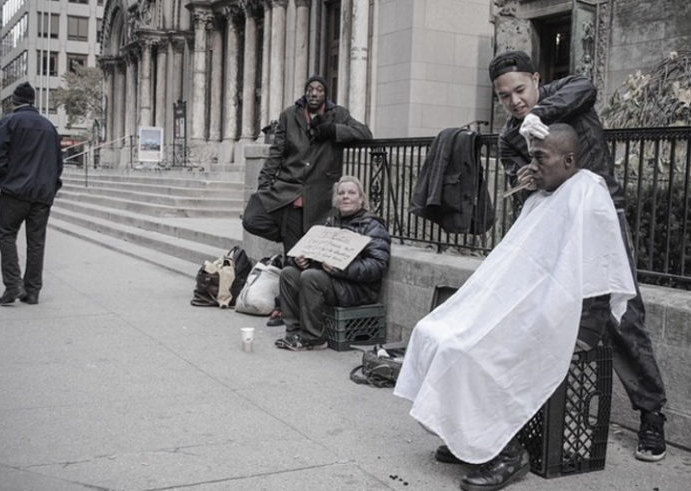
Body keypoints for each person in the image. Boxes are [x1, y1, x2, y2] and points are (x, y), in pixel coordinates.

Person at [395, 124, 637, 491]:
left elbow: (589, 274)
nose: (533, 165)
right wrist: (533, 190)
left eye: (541, 158)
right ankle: (469, 436)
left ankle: (507, 453)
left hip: (567, 319)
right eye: (532, 158)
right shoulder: (546, 194)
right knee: (433, 332)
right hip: (530, 308)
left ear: (569, 161)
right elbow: (522, 259)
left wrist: (570, 326)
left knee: (470, 352)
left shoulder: (587, 193)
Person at [487, 50, 667, 462]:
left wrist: (540, 116)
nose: (515, 102)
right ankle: (527, 415)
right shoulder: (507, 136)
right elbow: (523, 185)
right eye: (504, 97)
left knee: (621, 319)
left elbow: (586, 84)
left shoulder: (570, 94)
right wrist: (526, 178)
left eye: (520, 90)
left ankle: (651, 416)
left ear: (536, 79)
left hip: (602, 219)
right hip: (553, 228)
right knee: (538, 313)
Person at [242, 75, 372, 327]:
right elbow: (276, 154)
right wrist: (264, 186)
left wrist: (332, 131)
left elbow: (364, 133)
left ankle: (290, 311)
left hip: (319, 201)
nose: (314, 93)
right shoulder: (289, 115)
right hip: (288, 194)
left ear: (325, 94)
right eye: (310, 89)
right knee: (255, 222)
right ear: (305, 93)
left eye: (319, 90)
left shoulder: (338, 114)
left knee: (303, 258)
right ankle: (290, 306)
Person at [275, 176, 391, 351]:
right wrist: (300, 260)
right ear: (336, 199)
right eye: (341, 193)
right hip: (334, 280)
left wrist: (342, 269)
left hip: (356, 288)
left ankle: (314, 339)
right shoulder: (332, 222)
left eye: (351, 193)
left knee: (311, 277)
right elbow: (315, 251)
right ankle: (294, 332)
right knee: (289, 273)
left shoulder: (372, 226)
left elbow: (377, 266)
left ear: (361, 199)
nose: (345, 196)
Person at [0, 81, 63, 306]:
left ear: (14, 101)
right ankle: (32, 291)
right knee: (36, 242)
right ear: (33, 101)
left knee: (6, 234)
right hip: (42, 194)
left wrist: (4, 181)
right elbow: (58, 164)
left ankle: (13, 285)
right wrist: (51, 187)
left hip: (15, 191)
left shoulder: (8, 122)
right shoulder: (49, 127)